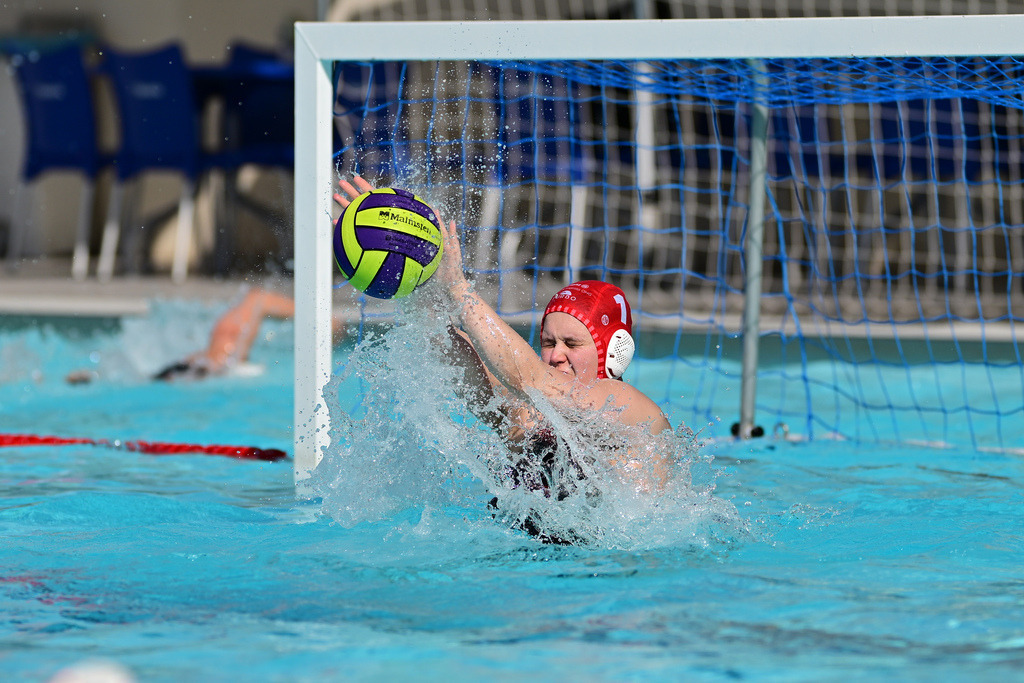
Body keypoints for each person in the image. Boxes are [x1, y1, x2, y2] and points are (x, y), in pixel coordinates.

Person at [335, 176, 672, 541]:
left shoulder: (632, 412)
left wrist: (458, 288)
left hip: (616, 564)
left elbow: (528, 378)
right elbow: (460, 364)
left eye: (572, 344)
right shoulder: (529, 420)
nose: (556, 356)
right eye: (548, 342)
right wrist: (410, 264)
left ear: (615, 350)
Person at [152, 288, 346, 381]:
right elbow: (258, 299)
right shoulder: (227, 342)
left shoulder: (220, 348)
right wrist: (323, 318)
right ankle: (326, 320)